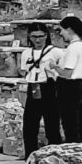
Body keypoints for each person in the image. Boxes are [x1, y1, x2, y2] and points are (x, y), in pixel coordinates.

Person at [44, 16, 82, 144]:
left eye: (62, 30)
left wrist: (53, 67)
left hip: (69, 87)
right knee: (81, 125)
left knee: (70, 125)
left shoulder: (73, 48)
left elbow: (67, 73)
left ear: (69, 30)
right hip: (80, 86)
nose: (61, 34)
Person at [16, 25, 61, 153]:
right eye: (34, 37)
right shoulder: (26, 53)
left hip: (49, 86)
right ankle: (30, 154)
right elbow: (23, 70)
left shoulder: (55, 52)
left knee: (52, 124)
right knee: (30, 124)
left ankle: (54, 153)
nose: (38, 40)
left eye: (41, 36)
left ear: (46, 36)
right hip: (34, 86)